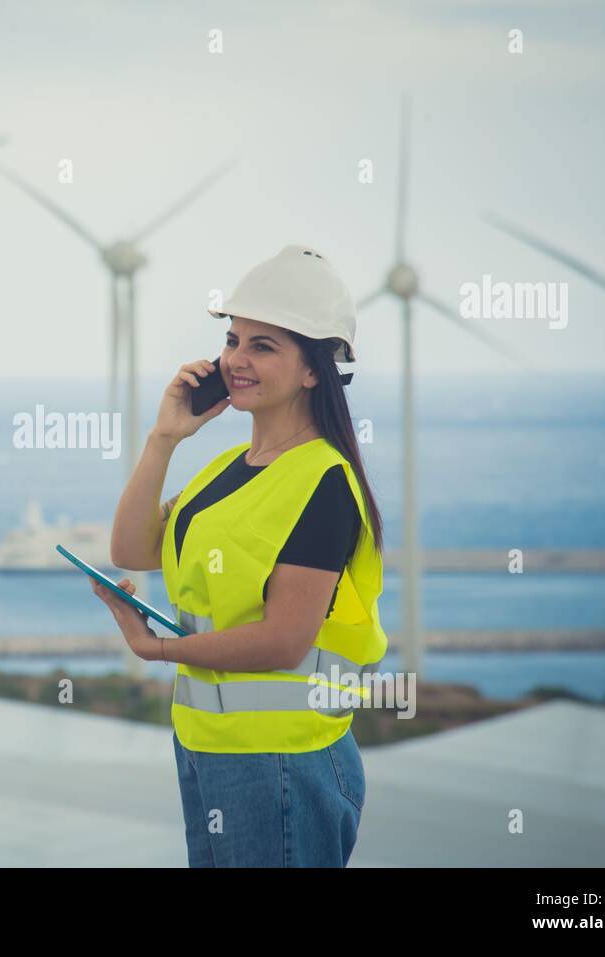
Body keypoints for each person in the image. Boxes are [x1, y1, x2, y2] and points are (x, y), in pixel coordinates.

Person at [92, 244, 387, 867]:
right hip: (209, 747)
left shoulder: (324, 481)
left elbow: (283, 641)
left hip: (282, 759)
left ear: (314, 370)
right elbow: (130, 548)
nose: (235, 361)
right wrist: (164, 438)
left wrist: (159, 649)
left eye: (263, 346)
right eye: (232, 340)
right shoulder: (227, 469)